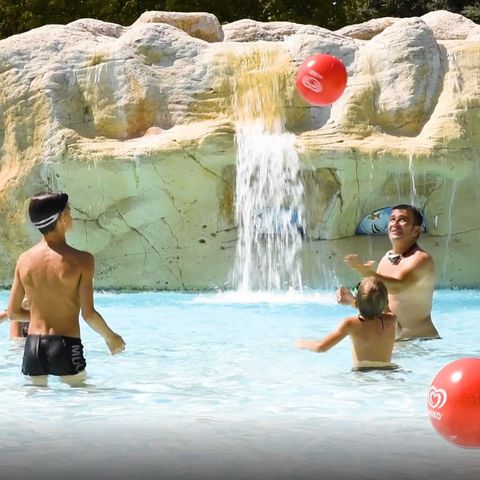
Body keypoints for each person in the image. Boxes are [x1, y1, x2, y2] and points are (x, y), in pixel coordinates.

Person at [7, 191, 125, 386]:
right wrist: (111, 337)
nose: (71, 215)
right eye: (68, 211)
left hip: (33, 347)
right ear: (61, 218)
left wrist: (42, 314)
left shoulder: (24, 260)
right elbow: (88, 314)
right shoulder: (82, 260)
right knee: (80, 397)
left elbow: (12, 313)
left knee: (34, 400)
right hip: (65, 345)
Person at [338, 204, 439, 341]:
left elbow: (398, 286)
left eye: (402, 219)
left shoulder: (421, 260)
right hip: (395, 343)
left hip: (421, 342)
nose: (395, 224)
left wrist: (368, 273)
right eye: (392, 219)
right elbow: (378, 307)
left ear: (416, 231)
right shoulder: (386, 259)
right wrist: (352, 300)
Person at [296, 277, 397, 371]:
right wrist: (352, 301)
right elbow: (378, 310)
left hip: (362, 374)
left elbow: (321, 347)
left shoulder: (350, 324)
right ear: (386, 302)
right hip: (388, 371)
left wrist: (302, 343)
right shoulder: (392, 320)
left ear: (356, 303)